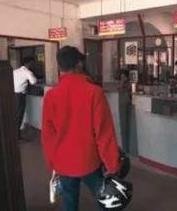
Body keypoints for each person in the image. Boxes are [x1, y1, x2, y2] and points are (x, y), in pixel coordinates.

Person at [42, 46, 121, 211]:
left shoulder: (51, 95)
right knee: (106, 200)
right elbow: (104, 133)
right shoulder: (94, 92)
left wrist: (52, 162)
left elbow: (48, 135)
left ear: (60, 66)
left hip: (63, 162)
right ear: (79, 64)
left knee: (69, 202)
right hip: (88, 161)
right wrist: (112, 165)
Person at [14, 56, 37, 141]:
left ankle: (14, 135)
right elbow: (33, 81)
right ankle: (17, 137)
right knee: (19, 115)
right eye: (31, 63)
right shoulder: (27, 72)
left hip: (12, 94)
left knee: (14, 115)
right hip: (20, 96)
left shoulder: (15, 71)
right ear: (27, 63)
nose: (32, 65)